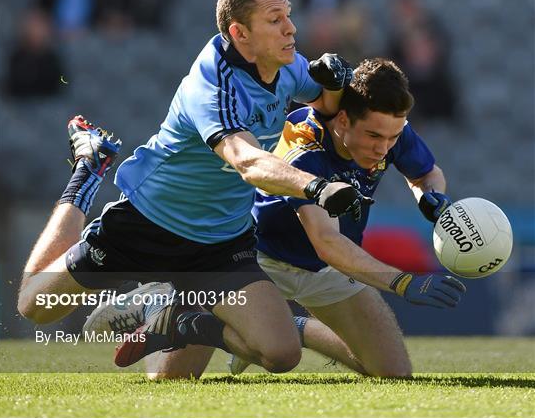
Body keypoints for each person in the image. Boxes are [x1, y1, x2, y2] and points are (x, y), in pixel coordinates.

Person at [17, 0, 365, 375]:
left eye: (288, 15)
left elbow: (323, 101)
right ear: (240, 34)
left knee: (281, 354)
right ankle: (87, 170)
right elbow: (246, 160)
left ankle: (176, 317)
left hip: (220, 241)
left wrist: (336, 85)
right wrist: (316, 187)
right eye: (275, 20)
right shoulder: (213, 84)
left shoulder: (285, 63)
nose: (291, 28)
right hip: (150, 222)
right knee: (35, 307)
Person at [92, 57, 465, 378]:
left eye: (393, 138)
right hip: (256, 262)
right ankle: (166, 309)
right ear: (342, 120)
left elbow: (425, 172)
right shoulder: (304, 149)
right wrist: (402, 283)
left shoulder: (388, 127)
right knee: (170, 378)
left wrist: (430, 196)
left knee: (394, 371)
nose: (384, 148)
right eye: (373, 137)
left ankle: (289, 327)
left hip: (324, 269)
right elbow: (328, 241)